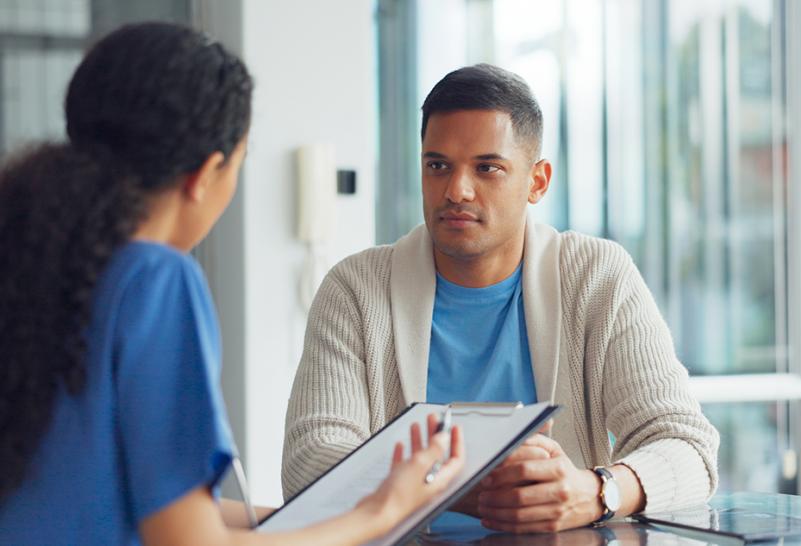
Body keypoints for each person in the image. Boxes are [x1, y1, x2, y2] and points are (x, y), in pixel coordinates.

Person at [0, 22, 463, 546]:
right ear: (206, 173)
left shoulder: (31, 263)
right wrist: (383, 513)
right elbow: (189, 541)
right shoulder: (155, 280)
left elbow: (147, 505)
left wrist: (327, 513)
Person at [282, 63, 719, 534]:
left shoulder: (597, 277)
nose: (456, 190)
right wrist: (465, 485)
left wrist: (595, 492)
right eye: (438, 166)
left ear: (537, 181)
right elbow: (310, 462)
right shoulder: (354, 289)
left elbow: (686, 446)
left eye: (487, 168)